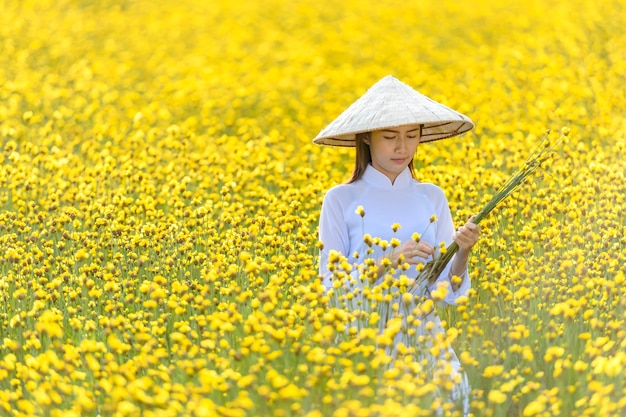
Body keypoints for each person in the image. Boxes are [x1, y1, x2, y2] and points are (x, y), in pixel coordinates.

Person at [314, 75, 480, 415]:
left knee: (453, 399)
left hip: (424, 332)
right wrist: (388, 260)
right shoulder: (339, 199)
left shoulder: (432, 196)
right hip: (366, 337)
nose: (402, 148)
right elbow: (332, 288)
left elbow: (448, 291)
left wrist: (462, 251)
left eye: (411, 136)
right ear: (366, 139)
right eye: (390, 137)